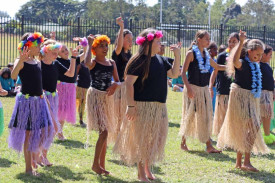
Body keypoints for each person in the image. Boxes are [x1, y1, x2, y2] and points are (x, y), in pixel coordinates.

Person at [113, 29, 181, 182]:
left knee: (154, 139)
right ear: (149, 43)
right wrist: (130, 106)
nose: (160, 44)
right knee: (142, 140)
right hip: (141, 107)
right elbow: (129, 84)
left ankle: (147, 168)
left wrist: (177, 55)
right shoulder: (138, 60)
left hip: (158, 108)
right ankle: (140, 173)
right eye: (157, 41)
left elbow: (174, 74)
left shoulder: (162, 60)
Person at [217, 31, 269, 172]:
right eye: (256, 55)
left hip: (251, 99)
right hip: (240, 98)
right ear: (249, 52)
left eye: (260, 55)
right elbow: (234, 62)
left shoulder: (255, 65)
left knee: (250, 128)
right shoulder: (243, 63)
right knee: (246, 128)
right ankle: (245, 161)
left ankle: (240, 162)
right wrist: (240, 42)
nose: (258, 58)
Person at [8, 32, 54, 176]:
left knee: (45, 131)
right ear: (28, 45)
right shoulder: (20, 60)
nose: (40, 47)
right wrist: (21, 61)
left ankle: (34, 158)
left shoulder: (37, 62)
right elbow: (13, 76)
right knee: (28, 134)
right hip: (27, 103)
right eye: (37, 44)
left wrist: (44, 100)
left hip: (39, 101)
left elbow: (39, 84)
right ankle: (29, 168)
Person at [179, 30, 225, 153]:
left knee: (205, 117)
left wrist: (232, 66)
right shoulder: (191, 53)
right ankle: (183, 142)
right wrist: (188, 88)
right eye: (206, 39)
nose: (208, 41)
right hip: (193, 88)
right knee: (189, 115)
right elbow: (183, 73)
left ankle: (208, 145)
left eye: (209, 39)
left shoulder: (206, 54)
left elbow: (216, 67)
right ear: (199, 39)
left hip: (203, 89)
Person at [85, 34, 120, 175]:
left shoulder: (112, 62)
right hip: (95, 97)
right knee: (104, 131)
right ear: (94, 49)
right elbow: (86, 63)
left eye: (106, 45)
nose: (105, 48)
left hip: (106, 99)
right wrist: (88, 43)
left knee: (105, 133)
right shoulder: (93, 62)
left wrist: (115, 86)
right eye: (101, 46)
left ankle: (102, 166)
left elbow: (118, 80)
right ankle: (95, 165)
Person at [56, 37, 87, 139]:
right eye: (62, 50)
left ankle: (59, 131)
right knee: (59, 110)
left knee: (64, 112)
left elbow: (85, 54)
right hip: (61, 88)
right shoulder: (58, 61)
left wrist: (83, 43)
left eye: (66, 50)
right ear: (58, 53)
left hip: (70, 89)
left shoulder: (73, 60)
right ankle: (58, 132)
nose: (65, 52)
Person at [209, 32, 239, 136]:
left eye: (234, 41)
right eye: (230, 41)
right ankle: (223, 137)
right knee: (223, 114)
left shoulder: (241, 57)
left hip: (235, 90)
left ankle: (232, 136)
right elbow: (215, 70)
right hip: (223, 89)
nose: (231, 44)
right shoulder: (222, 56)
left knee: (234, 116)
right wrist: (210, 86)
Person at [111, 17, 133, 139]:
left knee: (124, 114)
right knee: (118, 114)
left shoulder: (129, 54)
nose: (131, 42)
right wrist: (121, 27)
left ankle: (121, 137)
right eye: (128, 39)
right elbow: (119, 46)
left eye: (132, 40)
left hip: (126, 87)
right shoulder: (117, 53)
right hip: (117, 87)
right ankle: (117, 137)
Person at [259, 45, 275, 145]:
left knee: (267, 115)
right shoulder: (259, 65)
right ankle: (258, 136)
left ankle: (267, 135)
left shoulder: (267, 65)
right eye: (270, 55)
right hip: (262, 94)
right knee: (261, 116)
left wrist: (273, 91)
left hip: (268, 94)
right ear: (263, 55)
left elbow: (271, 80)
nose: (271, 57)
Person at [208, 42, 218, 112]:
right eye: (214, 49)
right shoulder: (206, 61)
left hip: (215, 87)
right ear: (209, 50)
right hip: (207, 86)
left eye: (216, 49)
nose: (216, 51)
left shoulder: (216, 61)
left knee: (213, 105)